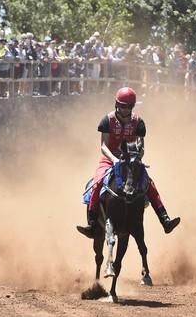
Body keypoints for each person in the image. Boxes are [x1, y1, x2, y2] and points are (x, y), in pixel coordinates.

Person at [76, 87, 181, 238]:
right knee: (97, 182)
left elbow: (141, 146)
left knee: (149, 183)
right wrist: (115, 160)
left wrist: (136, 158)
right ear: (116, 104)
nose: (125, 110)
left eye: (128, 107)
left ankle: (165, 219)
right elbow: (103, 146)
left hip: (131, 161)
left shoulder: (138, 122)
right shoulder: (107, 120)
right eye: (122, 106)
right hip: (109, 159)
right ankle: (92, 224)